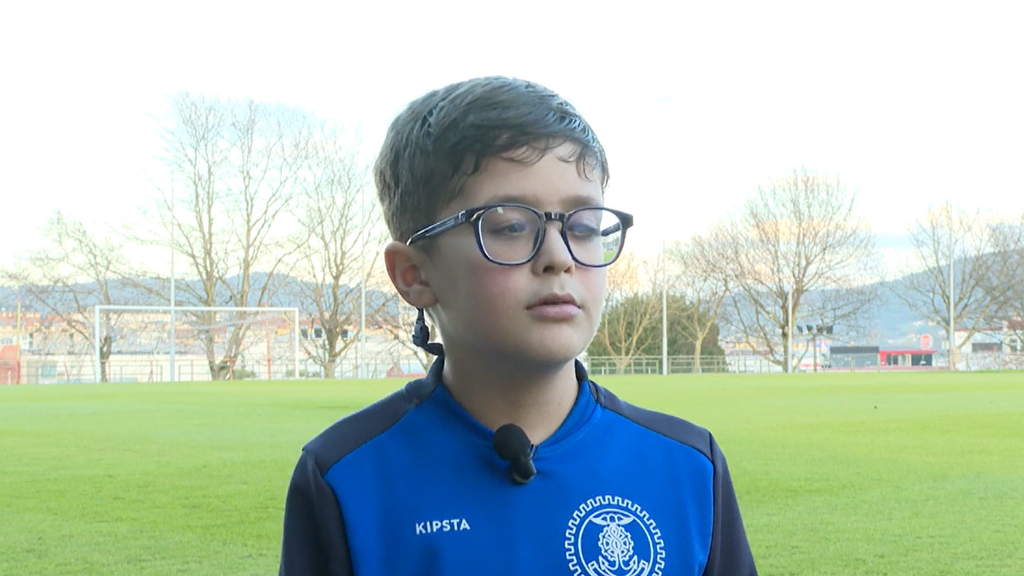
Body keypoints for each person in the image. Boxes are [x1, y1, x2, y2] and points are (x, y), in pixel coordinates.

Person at [278, 76, 758, 576]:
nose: (558, 257)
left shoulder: (686, 468)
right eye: (510, 225)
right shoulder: (345, 479)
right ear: (414, 274)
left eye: (585, 226)